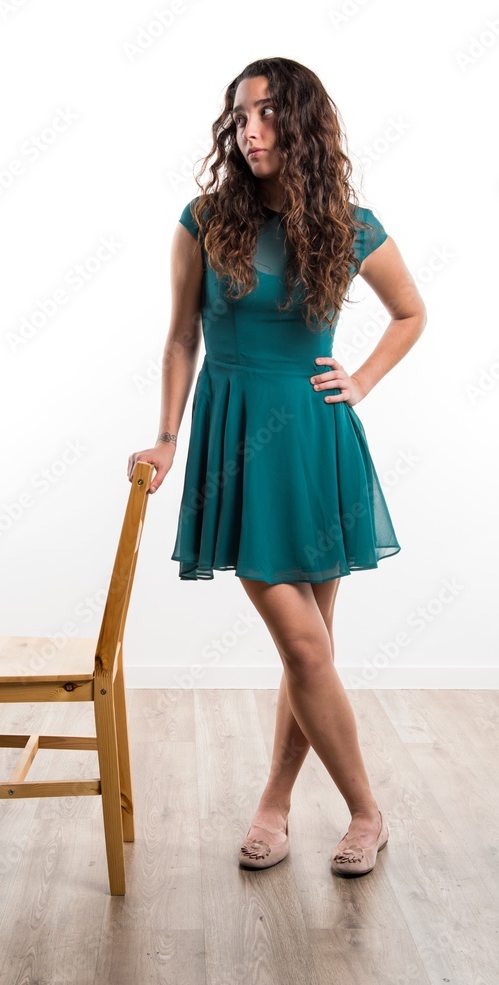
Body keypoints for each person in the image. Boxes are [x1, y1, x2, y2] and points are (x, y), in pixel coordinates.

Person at [126, 57, 427, 877]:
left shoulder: (349, 225)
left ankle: (279, 805)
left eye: (265, 114)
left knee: (308, 650)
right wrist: (167, 437)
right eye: (240, 115)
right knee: (306, 644)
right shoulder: (203, 220)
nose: (249, 130)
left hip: (315, 444)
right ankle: (365, 813)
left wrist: (362, 380)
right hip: (235, 443)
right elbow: (181, 338)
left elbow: (410, 312)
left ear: (302, 124)